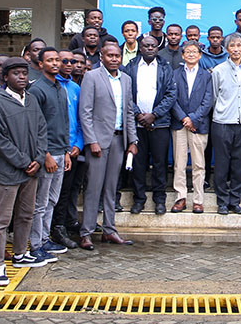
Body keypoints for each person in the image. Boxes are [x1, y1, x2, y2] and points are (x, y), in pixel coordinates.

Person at [0, 58, 50, 285]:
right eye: (16, 74)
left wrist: (38, 159)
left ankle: (21, 254)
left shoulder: (31, 100)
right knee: (2, 219)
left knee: (26, 214)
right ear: (5, 77)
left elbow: (43, 131)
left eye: (24, 73)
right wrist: (24, 162)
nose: (22, 77)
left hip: (32, 170)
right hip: (10, 171)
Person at [79, 43, 138, 249]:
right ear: (101, 57)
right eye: (110, 55)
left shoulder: (126, 79)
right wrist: (91, 141)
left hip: (119, 140)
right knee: (93, 188)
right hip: (98, 142)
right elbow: (85, 112)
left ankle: (109, 230)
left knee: (112, 188)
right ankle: (86, 233)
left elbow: (128, 112)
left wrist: (133, 141)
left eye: (117, 55)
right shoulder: (92, 77)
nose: (114, 59)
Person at [27, 48, 73, 262]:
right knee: (40, 202)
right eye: (50, 60)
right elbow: (34, 126)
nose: (56, 63)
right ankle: (35, 244)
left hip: (60, 152)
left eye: (58, 60)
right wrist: (44, 154)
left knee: (52, 200)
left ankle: (45, 238)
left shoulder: (60, 88)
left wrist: (65, 152)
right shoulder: (36, 90)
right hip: (45, 155)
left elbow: (64, 122)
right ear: (40, 63)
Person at [124, 35, 177, 215]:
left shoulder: (165, 67)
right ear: (140, 47)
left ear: (157, 48)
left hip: (159, 124)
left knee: (160, 163)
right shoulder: (130, 67)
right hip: (137, 124)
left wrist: (154, 115)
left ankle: (159, 199)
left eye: (153, 46)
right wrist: (139, 114)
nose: (149, 48)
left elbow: (171, 94)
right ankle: (139, 199)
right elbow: (125, 94)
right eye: (146, 46)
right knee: (139, 164)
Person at [210, 34, 241, 214]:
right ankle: (222, 201)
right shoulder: (218, 70)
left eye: (239, 46)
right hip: (222, 122)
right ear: (227, 49)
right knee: (221, 164)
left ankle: (235, 201)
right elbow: (214, 96)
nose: (236, 49)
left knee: (239, 165)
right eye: (232, 46)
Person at [170, 42, 214, 213]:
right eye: (187, 52)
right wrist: (183, 118)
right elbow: (171, 98)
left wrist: (193, 118)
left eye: (194, 52)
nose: (190, 54)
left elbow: (208, 100)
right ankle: (180, 197)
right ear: (182, 55)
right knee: (179, 163)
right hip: (179, 124)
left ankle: (198, 200)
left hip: (199, 126)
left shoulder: (206, 76)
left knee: (198, 164)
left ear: (200, 55)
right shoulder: (174, 74)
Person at [50, 50, 86, 250]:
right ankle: (54, 228)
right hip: (55, 150)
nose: (69, 64)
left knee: (68, 191)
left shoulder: (75, 87)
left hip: (73, 150)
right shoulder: (48, 86)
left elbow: (80, 120)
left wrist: (77, 145)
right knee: (55, 194)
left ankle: (61, 226)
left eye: (72, 61)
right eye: (65, 61)